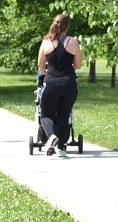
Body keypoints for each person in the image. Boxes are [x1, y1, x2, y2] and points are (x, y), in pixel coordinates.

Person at [36, 13, 82, 157]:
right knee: (63, 116)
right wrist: (68, 72)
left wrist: (46, 75)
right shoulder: (73, 42)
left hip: (52, 84)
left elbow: (40, 64)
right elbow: (78, 64)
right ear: (67, 26)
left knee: (45, 115)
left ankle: (52, 137)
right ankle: (61, 148)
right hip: (69, 85)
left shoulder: (46, 42)